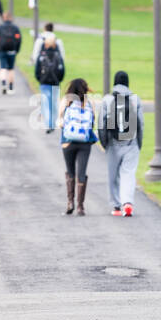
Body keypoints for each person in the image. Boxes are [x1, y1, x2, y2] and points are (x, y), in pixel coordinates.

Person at [98, 70, 144, 217]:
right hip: (131, 142)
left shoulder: (107, 99)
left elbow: (101, 124)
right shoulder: (135, 99)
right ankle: (128, 203)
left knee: (113, 175)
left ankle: (116, 206)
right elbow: (140, 124)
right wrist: (139, 143)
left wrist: (105, 144)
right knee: (128, 173)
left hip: (113, 142)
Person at [59, 77, 97, 216]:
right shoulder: (89, 102)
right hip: (84, 143)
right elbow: (92, 121)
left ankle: (70, 202)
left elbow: (60, 122)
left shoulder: (66, 101)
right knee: (82, 172)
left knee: (70, 171)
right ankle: (81, 206)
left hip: (67, 142)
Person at [32, 23, 66, 133]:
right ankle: (53, 121)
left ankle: (48, 123)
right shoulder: (58, 53)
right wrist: (59, 79)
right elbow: (62, 68)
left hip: (44, 81)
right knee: (54, 102)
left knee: (45, 102)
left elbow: (36, 68)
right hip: (55, 81)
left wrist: (39, 79)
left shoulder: (42, 54)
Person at [0, 14, 22, 94]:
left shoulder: (0, 27)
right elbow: (19, 39)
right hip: (12, 51)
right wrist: (17, 50)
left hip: (2, 50)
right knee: (11, 69)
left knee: (3, 68)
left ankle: (3, 84)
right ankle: (11, 87)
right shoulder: (15, 28)